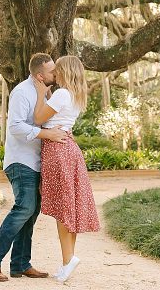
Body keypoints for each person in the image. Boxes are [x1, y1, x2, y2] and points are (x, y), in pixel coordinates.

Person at [0, 53, 70, 282]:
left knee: (31, 213)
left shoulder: (46, 93)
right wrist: (47, 133)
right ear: (40, 75)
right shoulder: (21, 92)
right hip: (21, 161)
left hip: (38, 162)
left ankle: (20, 264)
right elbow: (16, 127)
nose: (56, 73)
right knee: (24, 208)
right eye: (52, 71)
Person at [32, 55, 99, 284]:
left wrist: (41, 94)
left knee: (63, 210)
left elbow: (38, 118)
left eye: (57, 70)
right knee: (68, 208)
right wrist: (49, 95)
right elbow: (57, 114)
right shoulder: (74, 95)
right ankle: (67, 261)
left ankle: (68, 260)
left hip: (56, 151)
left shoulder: (61, 94)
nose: (54, 74)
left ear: (65, 71)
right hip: (68, 149)